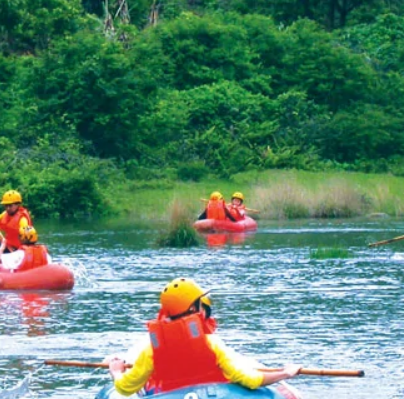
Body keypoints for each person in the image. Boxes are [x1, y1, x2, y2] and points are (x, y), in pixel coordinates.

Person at [108, 277, 301, 396]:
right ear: (193, 308)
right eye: (200, 302)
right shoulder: (211, 343)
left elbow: (125, 388)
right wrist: (286, 373)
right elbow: (250, 380)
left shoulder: (151, 349)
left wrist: (116, 371)